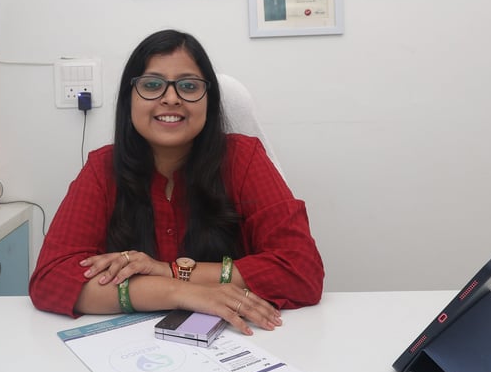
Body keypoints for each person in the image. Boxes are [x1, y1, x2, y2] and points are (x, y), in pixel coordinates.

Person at [29, 30, 324, 335]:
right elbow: (51, 280)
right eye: (152, 85)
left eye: (189, 86)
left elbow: (301, 271)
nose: (171, 98)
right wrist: (182, 292)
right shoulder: (102, 168)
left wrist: (167, 270)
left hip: (240, 336)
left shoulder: (243, 158)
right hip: (132, 344)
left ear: (209, 100)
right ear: (129, 100)